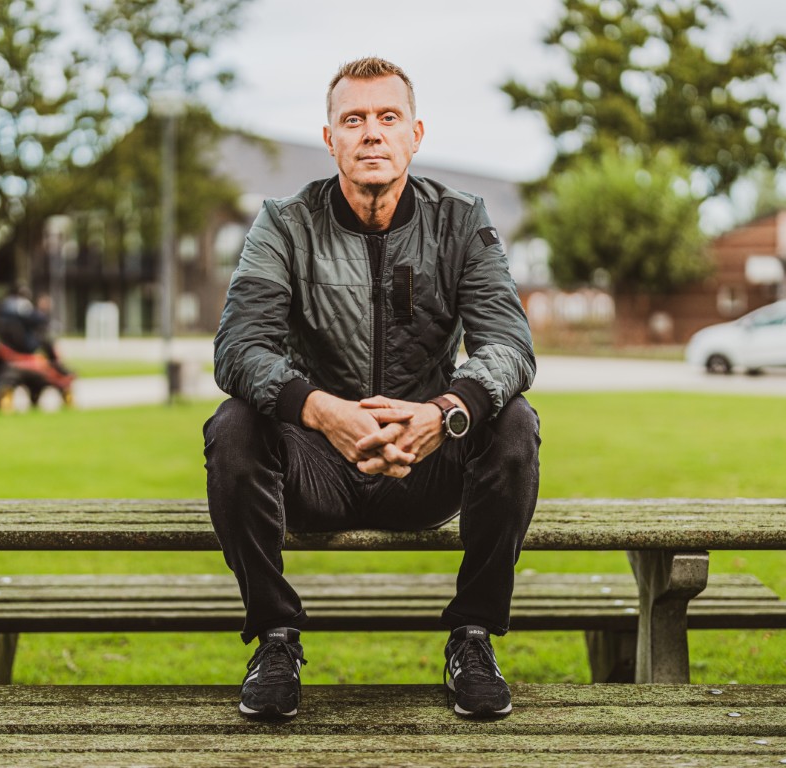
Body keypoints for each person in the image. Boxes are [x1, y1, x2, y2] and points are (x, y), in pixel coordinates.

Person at [204, 57, 540, 720]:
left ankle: (473, 637)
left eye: (388, 117)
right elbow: (238, 348)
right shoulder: (284, 223)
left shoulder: (461, 221)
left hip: (425, 465)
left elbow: (509, 345)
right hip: (316, 467)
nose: (372, 133)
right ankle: (275, 638)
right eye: (353, 120)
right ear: (330, 139)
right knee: (233, 425)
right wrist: (323, 412)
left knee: (514, 422)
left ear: (415, 134)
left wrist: (444, 413)